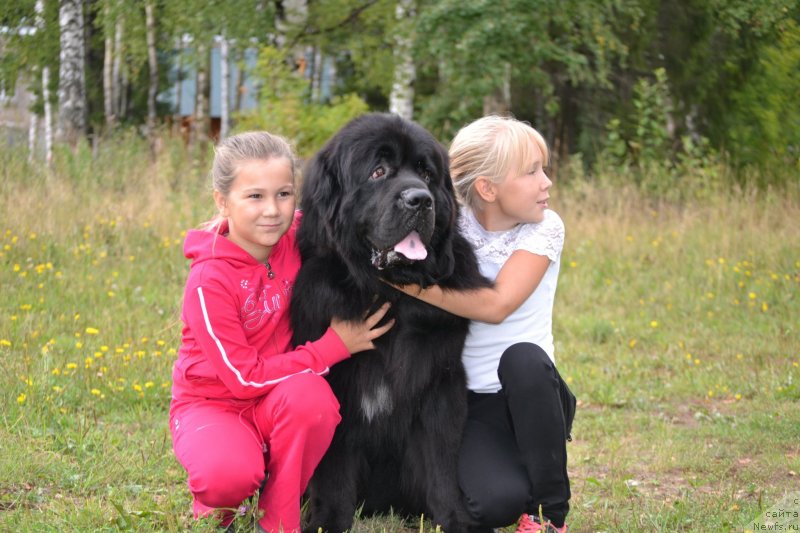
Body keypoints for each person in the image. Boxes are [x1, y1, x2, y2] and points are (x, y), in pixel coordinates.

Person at [169, 131, 394, 533]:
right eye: (254, 196)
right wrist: (332, 348)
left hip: (281, 398)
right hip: (217, 404)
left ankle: (279, 517)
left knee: (314, 400)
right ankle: (226, 493)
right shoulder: (209, 280)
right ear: (223, 201)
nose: (272, 210)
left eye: (284, 194)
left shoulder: (296, 237)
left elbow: (347, 216)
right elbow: (242, 378)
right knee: (227, 479)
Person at [392, 116, 574, 533]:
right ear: (488, 189)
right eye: (531, 172)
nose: (546, 182)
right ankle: (517, 480)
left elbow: (497, 305)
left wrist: (411, 288)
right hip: (471, 401)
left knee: (523, 359)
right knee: (492, 506)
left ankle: (550, 513)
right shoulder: (449, 224)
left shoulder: (545, 229)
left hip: (533, 397)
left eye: (543, 169)